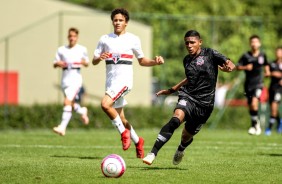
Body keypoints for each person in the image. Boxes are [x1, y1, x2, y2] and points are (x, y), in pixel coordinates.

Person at [142, 30, 235, 165]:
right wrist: (173, 89)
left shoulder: (210, 53)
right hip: (188, 96)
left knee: (186, 136)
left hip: (205, 105)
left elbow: (230, 63)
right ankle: (152, 153)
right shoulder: (186, 60)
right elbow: (189, 79)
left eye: (192, 42)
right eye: (187, 43)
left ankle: (181, 149)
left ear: (200, 42)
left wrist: (229, 68)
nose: (189, 45)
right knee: (175, 120)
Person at [92, 8, 164, 158]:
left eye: (121, 20)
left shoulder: (133, 39)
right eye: (115, 20)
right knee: (121, 118)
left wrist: (155, 62)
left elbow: (142, 61)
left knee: (105, 104)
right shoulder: (105, 39)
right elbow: (94, 61)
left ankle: (124, 133)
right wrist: (99, 58)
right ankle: (138, 141)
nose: (117, 22)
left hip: (124, 82)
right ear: (112, 21)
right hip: (111, 83)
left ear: (126, 23)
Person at [53, 27, 90, 136]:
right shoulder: (61, 50)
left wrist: (83, 62)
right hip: (65, 79)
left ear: (77, 37)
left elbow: (87, 63)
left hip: (75, 80)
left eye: (74, 36)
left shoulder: (82, 49)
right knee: (70, 103)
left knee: (67, 102)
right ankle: (82, 111)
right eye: (70, 36)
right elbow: (55, 63)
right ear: (68, 37)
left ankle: (62, 127)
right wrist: (58, 64)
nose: (72, 38)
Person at [236, 35, 270, 135]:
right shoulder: (246, 56)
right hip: (248, 84)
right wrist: (245, 67)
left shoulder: (262, 55)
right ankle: (255, 123)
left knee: (255, 102)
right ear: (250, 44)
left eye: (256, 42)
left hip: (259, 83)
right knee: (251, 105)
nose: (254, 44)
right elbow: (237, 67)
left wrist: (267, 71)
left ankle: (254, 125)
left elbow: (266, 64)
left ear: (259, 44)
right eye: (252, 42)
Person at [265, 46, 282, 135]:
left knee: (274, 107)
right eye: (277, 52)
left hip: (279, 89)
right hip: (272, 88)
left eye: (280, 52)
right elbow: (267, 73)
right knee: (273, 108)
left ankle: (269, 128)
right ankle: (280, 122)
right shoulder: (272, 64)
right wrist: (268, 73)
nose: (278, 53)